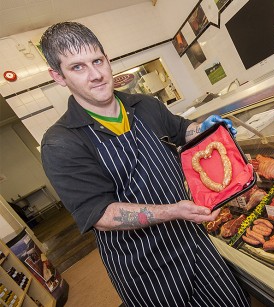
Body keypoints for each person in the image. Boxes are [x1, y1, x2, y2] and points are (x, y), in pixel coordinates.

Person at [40, 22, 249, 307]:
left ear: (107, 59)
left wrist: (206, 129)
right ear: (58, 76)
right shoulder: (61, 142)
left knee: (232, 301)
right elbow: (99, 213)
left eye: (98, 61)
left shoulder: (144, 105)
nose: (96, 75)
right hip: (143, 265)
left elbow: (181, 130)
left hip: (192, 239)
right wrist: (174, 210)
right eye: (77, 67)